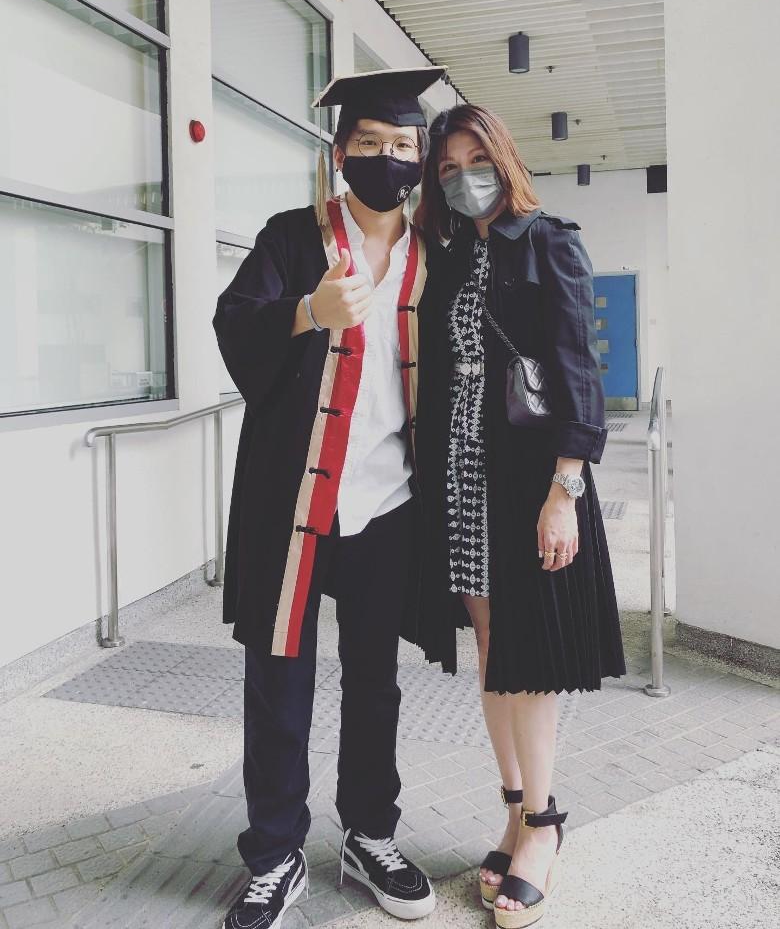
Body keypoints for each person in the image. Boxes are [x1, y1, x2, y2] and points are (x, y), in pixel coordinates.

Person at [211, 67, 446, 929]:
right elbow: (234, 323)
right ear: (340, 152)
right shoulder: (290, 237)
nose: (388, 158)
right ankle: (275, 852)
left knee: (375, 679)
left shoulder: (434, 254)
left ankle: (368, 833)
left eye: (403, 145)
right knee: (278, 675)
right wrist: (308, 310)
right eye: (370, 142)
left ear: (419, 158)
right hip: (294, 497)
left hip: (388, 501)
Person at [413, 104, 627, 929]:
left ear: (503, 160)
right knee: (491, 647)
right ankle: (512, 808)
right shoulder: (450, 256)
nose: (463, 177)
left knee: (527, 657)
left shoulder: (549, 241)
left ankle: (543, 824)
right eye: (447, 167)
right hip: (462, 477)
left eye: (477, 160)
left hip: (529, 478)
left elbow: (578, 370)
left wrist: (564, 489)